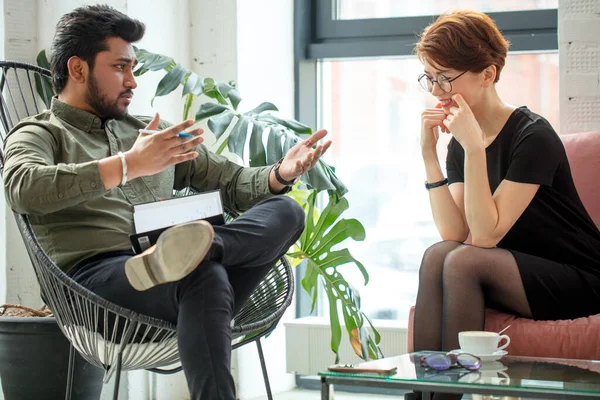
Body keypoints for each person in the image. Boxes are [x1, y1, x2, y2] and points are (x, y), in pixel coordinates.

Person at [2, 4, 331, 399]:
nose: (132, 82)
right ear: (78, 69)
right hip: (97, 286)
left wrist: (281, 173)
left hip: (178, 271)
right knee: (201, 276)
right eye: (120, 67)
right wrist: (127, 165)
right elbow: (23, 187)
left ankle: (201, 248)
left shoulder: (146, 132)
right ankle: (191, 255)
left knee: (287, 211)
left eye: (133, 68)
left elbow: (233, 182)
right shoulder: (40, 133)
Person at [410, 9, 600, 400]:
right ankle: (425, 394)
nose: (435, 91)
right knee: (437, 255)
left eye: (445, 78)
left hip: (578, 276)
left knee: (463, 260)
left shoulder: (534, 136)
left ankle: (447, 399)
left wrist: (475, 147)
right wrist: (430, 155)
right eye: (430, 77)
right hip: (513, 270)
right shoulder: (462, 140)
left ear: (488, 74)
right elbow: (455, 232)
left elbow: (483, 236)